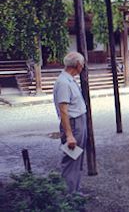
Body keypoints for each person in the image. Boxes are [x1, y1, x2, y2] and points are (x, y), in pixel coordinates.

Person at [53, 52, 87, 194]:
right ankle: (68, 196)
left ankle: (74, 191)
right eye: (83, 64)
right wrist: (69, 135)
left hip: (78, 121)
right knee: (71, 159)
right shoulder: (63, 83)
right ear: (78, 65)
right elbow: (63, 111)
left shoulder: (70, 80)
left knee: (77, 159)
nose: (83, 66)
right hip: (73, 124)